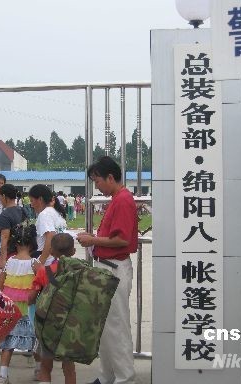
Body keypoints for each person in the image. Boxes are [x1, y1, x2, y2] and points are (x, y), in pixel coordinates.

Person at [76, 156, 138, 384]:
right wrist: (94, 240)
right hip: (107, 268)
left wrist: (92, 240)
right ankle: (108, 375)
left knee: (116, 327)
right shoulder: (117, 198)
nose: (97, 186)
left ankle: (125, 377)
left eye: (98, 181)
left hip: (114, 269)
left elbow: (121, 240)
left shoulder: (122, 200)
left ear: (110, 178)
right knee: (105, 326)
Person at [28, 233, 77, 384]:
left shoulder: (44, 271)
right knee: (69, 367)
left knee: (45, 365)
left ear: (51, 251)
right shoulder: (78, 271)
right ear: (73, 251)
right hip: (70, 323)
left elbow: (31, 297)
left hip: (48, 323)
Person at [0, 223, 37, 384]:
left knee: (9, 342)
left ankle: (2, 375)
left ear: (16, 243)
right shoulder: (34, 263)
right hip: (29, 310)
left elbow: (0, 283)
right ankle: (40, 369)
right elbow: (42, 282)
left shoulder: (10, 261)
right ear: (32, 242)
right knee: (34, 340)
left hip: (12, 310)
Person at [28, 184, 67, 266]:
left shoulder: (44, 214)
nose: (31, 204)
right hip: (57, 259)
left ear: (40, 199)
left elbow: (51, 235)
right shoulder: (55, 212)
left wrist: (41, 260)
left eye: (31, 200)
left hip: (48, 261)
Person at [0, 184, 26, 273]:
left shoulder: (5, 215)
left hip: (11, 254)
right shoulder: (22, 210)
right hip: (24, 253)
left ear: (4, 196)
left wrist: (3, 260)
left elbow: (4, 238)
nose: (0, 199)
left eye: (0, 196)